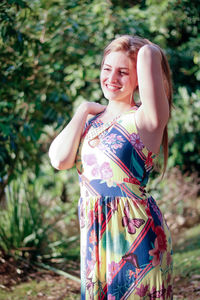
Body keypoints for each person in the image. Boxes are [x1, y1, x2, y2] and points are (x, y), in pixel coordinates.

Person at [49, 35, 173, 299]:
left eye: (123, 72)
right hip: (95, 240)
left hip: (138, 239)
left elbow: (151, 54)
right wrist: (83, 110)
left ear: (139, 76)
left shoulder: (145, 118)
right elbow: (59, 160)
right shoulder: (90, 122)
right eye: (107, 69)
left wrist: (141, 45)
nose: (112, 78)